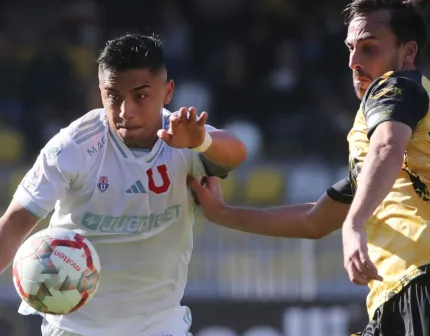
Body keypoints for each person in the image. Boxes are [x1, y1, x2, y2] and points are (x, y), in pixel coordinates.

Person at [188, 0, 430, 335]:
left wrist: (355, 224)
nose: (354, 61)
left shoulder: (396, 87)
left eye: (369, 46)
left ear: (407, 51)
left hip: (428, 277)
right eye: (351, 48)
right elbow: (314, 220)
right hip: (408, 285)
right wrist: (224, 213)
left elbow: (386, 148)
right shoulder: (403, 147)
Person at [0, 33, 247, 336]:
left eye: (140, 96)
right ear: (99, 93)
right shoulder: (73, 147)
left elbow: (236, 152)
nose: (124, 111)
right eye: (113, 96)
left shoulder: (184, 138)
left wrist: (202, 141)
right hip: (74, 330)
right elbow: (12, 224)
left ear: (167, 92)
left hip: (161, 328)